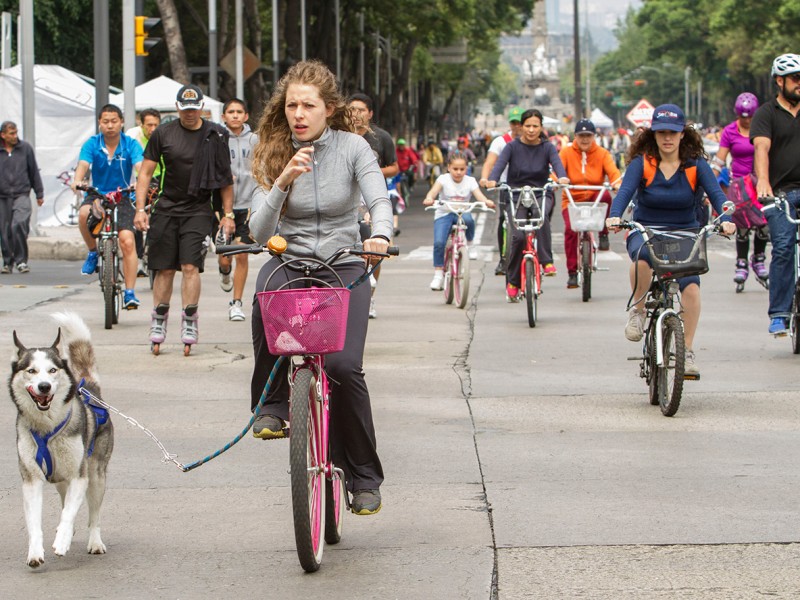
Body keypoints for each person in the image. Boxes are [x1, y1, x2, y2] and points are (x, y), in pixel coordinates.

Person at [248, 60, 392, 516]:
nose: (298, 114)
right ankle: (271, 404)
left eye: (308, 105)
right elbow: (257, 231)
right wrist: (284, 182)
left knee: (345, 368)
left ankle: (364, 476)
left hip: (345, 263)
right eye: (291, 105)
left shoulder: (354, 148)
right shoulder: (273, 150)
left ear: (329, 108)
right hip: (290, 262)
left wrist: (380, 235)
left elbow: (378, 197)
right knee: (263, 297)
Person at [606, 104, 736, 377]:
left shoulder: (695, 164)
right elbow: (624, 194)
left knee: (691, 289)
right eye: (661, 132)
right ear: (652, 134)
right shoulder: (642, 163)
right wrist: (615, 216)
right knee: (642, 258)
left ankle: (685, 351)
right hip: (646, 229)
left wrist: (725, 217)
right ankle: (638, 311)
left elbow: (716, 194)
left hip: (685, 232)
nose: (667, 138)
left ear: (682, 135)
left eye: (673, 133)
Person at [133, 85, 234, 351]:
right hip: (166, 208)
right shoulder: (163, 134)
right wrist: (140, 209)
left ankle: (190, 318)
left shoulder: (216, 135)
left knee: (190, 266)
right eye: (185, 109)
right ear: (178, 107)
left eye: (194, 108)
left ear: (201, 108)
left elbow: (225, 179)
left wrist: (227, 214)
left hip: (198, 209)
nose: (190, 113)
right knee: (164, 268)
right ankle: (159, 318)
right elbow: (145, 174)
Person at [487, 108, 568, 301]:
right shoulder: (512, 147)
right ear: (522, 127)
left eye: (535, 126)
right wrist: (492, 180)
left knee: (542, 219)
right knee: (518, 237)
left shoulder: (547, 147)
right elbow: (499, 166)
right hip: (516, 195)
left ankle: (547, 261)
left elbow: (557, 164)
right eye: (528, 126)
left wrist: (562, 177)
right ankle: (513, 281)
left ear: (541, 127)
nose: (531, 130)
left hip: (541, 192)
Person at [72, 105, 143, 307]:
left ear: (121, 122)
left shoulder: (131, 145)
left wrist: (139, 182)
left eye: (114, 121)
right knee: (84, 214)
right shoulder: (92, 144)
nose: (110, 125)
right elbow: (83, 165)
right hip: (97, 195)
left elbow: (140, 167)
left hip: (123, 196)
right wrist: (77, 181)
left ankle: (129, 292)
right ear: (99, 123)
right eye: (105, 121)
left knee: (127, 241)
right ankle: (93, 251)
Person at [751, 54, 800, 336]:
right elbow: (761, 149)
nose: (799, 83)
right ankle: (780, 313)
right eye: (795, 78)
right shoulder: (766, 114)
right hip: (779, 194)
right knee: (782, 247)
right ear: (779, 81)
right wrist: (764, 183)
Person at [348, 92, 398, 319]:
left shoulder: (381, 138)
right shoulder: (340, 135)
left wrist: (370, 172)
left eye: (360, 110)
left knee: (374, 248)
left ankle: (370, 294)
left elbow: (394, 167)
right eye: (352, 109)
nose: (356, 115)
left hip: (371, 201)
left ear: (370, 114)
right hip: (347, 201)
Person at [711, 92, 769, 287]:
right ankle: (741, 263)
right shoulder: (729, 131)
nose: (747, 121)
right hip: (739, 185)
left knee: (764, 223)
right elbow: (720, 159)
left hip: (760, 182)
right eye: (743, 117)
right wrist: (709, 181)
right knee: (742, 226)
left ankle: (759, 259)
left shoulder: (763, 128)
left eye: (750, 117)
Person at [558, 119, 621, 288]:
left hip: (595, 198)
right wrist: (557, 181)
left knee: (607, 196)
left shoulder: (602, 153)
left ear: (594, 136)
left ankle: (604, 234)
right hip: (572, 200)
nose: (585, 139)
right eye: (581, 136)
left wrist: (616, 183)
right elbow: (557, 171)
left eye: (588, 136)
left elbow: (613, 173)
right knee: (571, 230)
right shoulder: (566, 153)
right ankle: (572, 272)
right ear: (575, 136)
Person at [215, 98, 263, 322]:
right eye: (230, 112)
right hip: (224, 206)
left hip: (248, 203)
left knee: (242, 253)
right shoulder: (216, 138)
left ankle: (236, 303)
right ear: (224, 116)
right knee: (225, 256)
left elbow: (264, 165)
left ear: (245, 116)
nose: (234, 115)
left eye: (239, 112)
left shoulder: (255, 140)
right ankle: (224, 272)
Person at [424, 152, 495, 289]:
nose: (458, 172)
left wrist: (487, 202)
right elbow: (433, 192)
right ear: (449, 167)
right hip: (444, 213)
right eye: (455, 169)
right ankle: (438, 275)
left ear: (466, 169)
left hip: (461, 213)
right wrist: (429, 199)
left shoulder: (470, 181)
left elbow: (479, 195)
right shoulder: (443, 179)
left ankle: (470, 243)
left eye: (462, 169)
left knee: (469, 220)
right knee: (439, 242)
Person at [480, 107, 524, 276]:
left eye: (520, 123)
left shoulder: (534, 140)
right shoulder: (500, 141)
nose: (517, 127)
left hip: (528, 188)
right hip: (506, 187)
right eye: (514, 123)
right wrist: (485, 178)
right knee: (503, 221)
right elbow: (490, 162)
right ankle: (503, 258)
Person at [0, 121, 44, 274]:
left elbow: (33, 171)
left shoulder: (25, 149)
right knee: (4, 230)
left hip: (22, 194)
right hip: (2, 196)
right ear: (3, 135)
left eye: (15, 132)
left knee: (18, 224)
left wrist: (39, 193)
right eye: (11, 133)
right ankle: (7, 262)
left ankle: (21, 261)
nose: (14, 136)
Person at [126, 108, 162, 276]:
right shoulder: (133, 137)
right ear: (141, 124)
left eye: (156, 124)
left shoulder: (162, 136)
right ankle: (139, 258)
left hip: (158, 180)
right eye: (149, 125)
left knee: (158, 216)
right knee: (138, 218)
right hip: (137, 180)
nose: (152, 129)